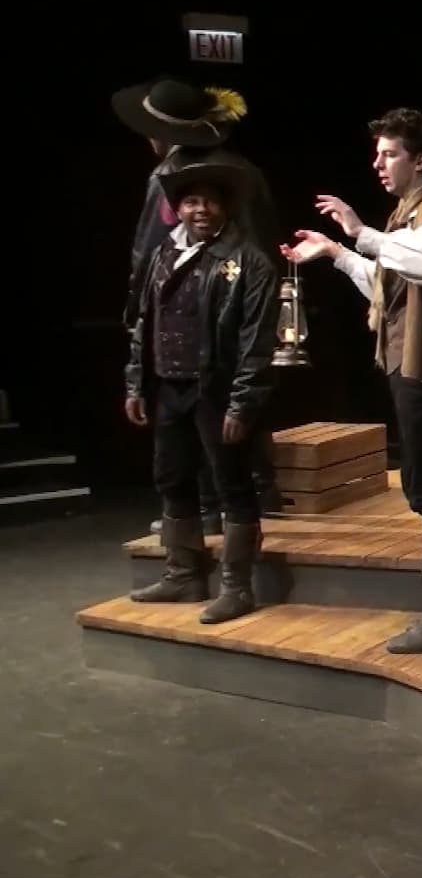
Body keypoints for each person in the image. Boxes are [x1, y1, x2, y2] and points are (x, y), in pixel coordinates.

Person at [280, 108, 422, 654]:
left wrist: (359, 231)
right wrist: (337, 253)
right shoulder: (409, 213)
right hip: (411, 363)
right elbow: (388, 285)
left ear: (419, 159)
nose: (378, 163)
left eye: (389, 153)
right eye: (375, 154)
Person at [112, 77, 282, 535]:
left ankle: (221, 517)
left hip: (217, 304)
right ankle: (215, 518)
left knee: (216, 415)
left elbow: (148, 251)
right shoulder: (243, 169)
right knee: (204, 427)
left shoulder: (174, 179)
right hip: (227, 307)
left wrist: (138, 305)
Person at [123, 159, 278, 625]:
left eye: (209, 200)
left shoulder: (249, 261)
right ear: (179, 209)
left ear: (225, 206)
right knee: (171, 478)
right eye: (191, 201)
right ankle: (183, 572)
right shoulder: (163, 256)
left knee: (231, 484)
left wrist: (243, 401)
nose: (201, 209)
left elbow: (257, 342)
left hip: (218, 391)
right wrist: (136, 382)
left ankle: (236, 586)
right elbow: (144, 322)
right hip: (169, 386)